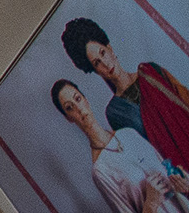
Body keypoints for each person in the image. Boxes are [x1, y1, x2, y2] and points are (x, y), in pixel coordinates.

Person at [52, 79, 189, 213]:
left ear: (85, 99)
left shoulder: (129, 134)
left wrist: (181, 182)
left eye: (78, 99)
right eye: (70, 108)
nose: (79, 109)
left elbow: (170, 173)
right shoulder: (100, 171)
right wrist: (151, 202)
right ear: (68, 118)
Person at [60, 17, 189, 170]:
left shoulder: (151, 71)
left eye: (103, 53)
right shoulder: (115, 112)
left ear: (110, 48)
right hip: (176, 176)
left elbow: (185, 100)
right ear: (94, 70)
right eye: (96, 63)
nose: (105, 64)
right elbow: (142, 154)